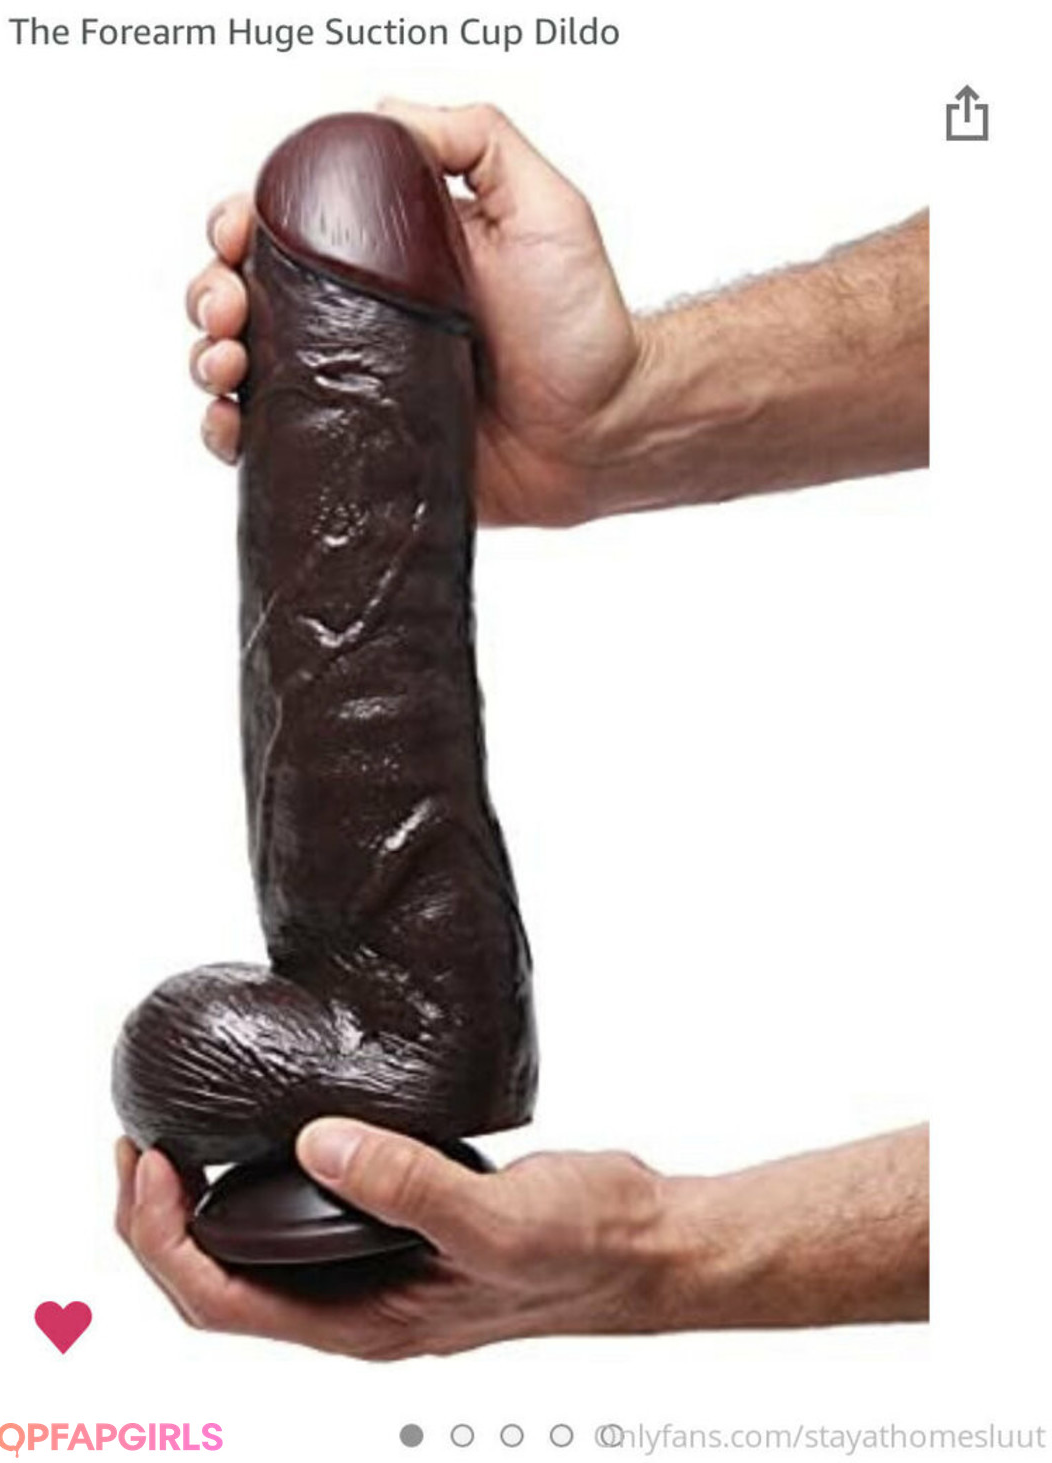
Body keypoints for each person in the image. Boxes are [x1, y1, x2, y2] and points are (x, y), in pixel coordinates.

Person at [116, 101, 930, 1357]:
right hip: (406, 1004)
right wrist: (612, 411)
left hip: (412, 1014)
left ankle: (433, 1037)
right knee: (178, 1049)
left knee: (173, 1051)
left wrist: (664, 1255)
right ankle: (433, 1034)